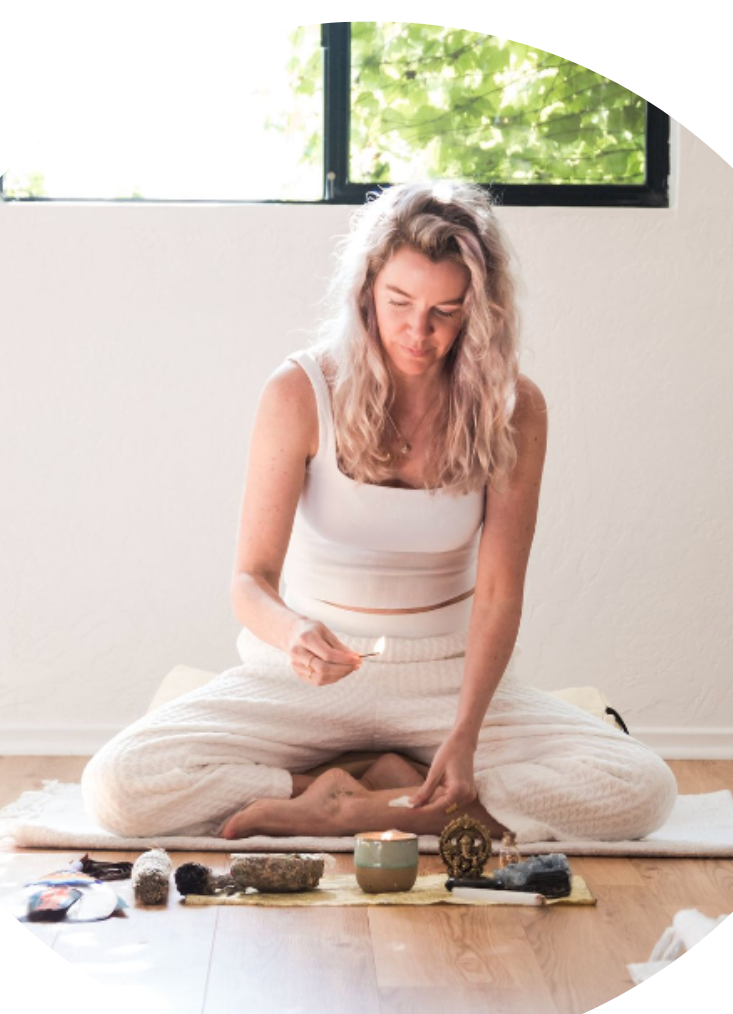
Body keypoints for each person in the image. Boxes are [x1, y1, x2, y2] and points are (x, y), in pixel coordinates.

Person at [81, 181, 677, 844]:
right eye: (399, 303)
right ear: (366, 289)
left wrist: (465, 736)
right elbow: (249, 581)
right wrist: (293, 634)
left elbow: (500, 594)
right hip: (307, 678)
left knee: (640, 787)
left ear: (480, 311)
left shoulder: (514, 408)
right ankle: (334, 790)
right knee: (119, 785)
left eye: (446, 311)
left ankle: (372, 805)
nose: (419, 331)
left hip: (444, 677)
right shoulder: (299, 391)